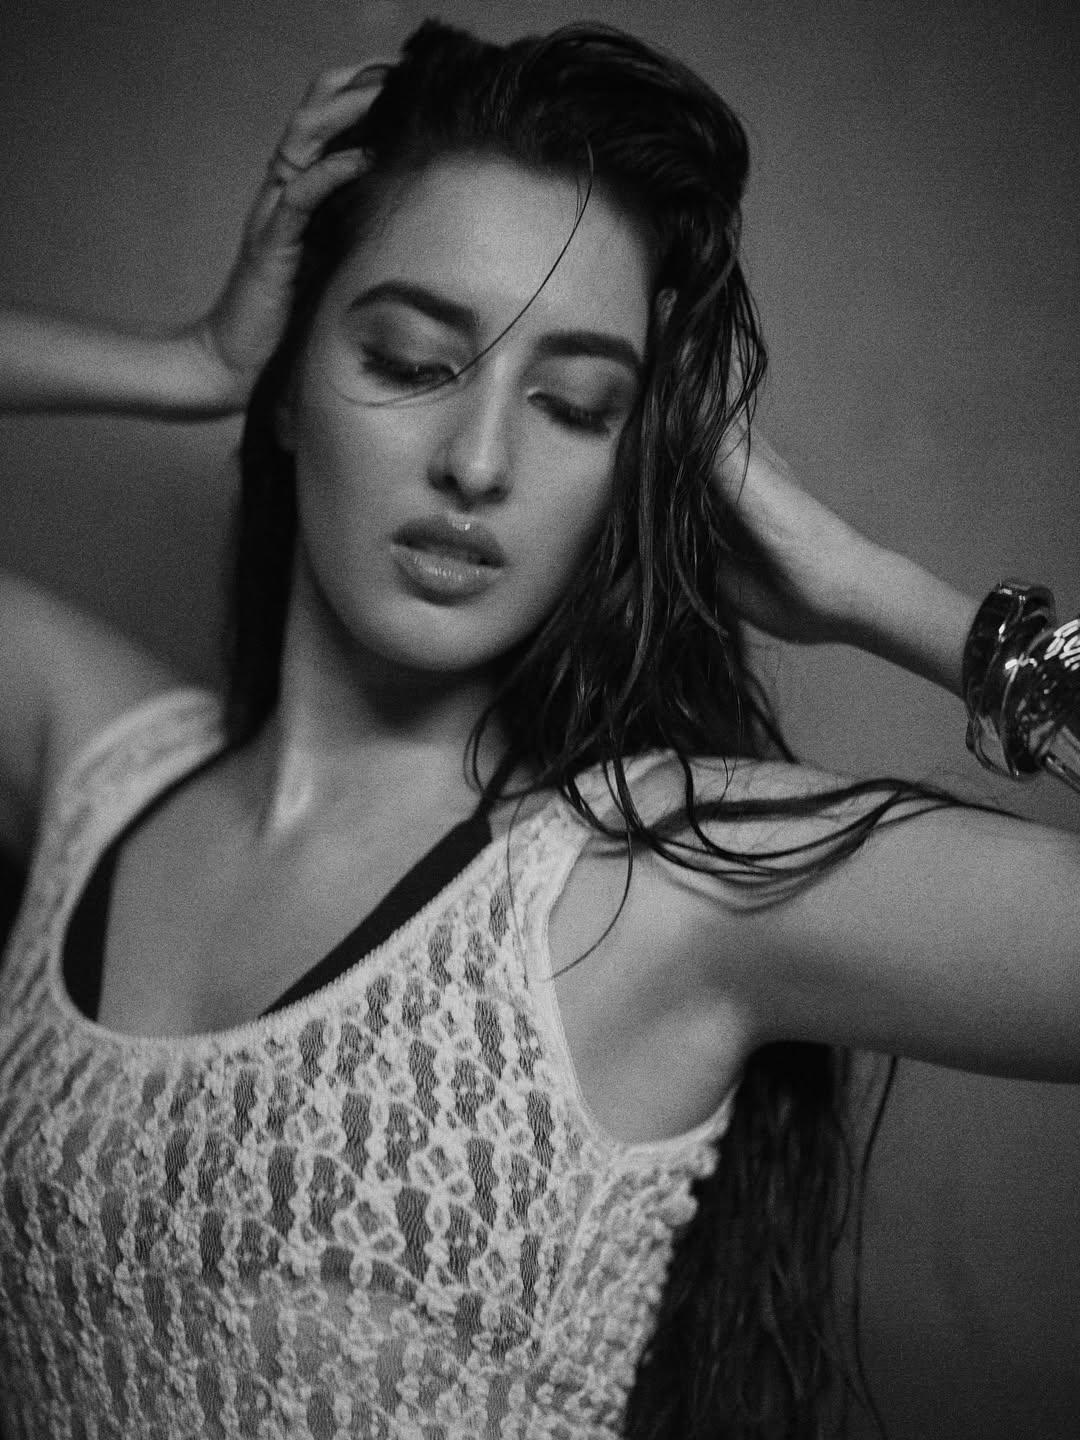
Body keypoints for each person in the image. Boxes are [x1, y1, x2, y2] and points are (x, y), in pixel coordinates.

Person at [0, 17, 1076, 1440]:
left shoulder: (656, 876)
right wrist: (187, 363)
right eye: (411, 361)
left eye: (576, 406)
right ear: (290, 385)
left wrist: (869, 588)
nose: (480, 460)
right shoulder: (95, 759)